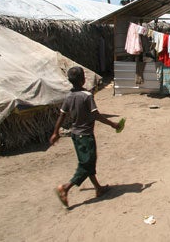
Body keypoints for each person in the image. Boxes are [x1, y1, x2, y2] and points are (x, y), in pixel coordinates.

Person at [50, 66, 120, 208]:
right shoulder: (87, 96)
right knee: (87, 163)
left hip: (75, 135)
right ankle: (65, 188)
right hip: (86, 136)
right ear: (83, 79)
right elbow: (95, 114)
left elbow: (62, 115)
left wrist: (55, 132)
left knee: (87, 161)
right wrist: (112, 124)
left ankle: (98, 188)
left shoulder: (69, 96)